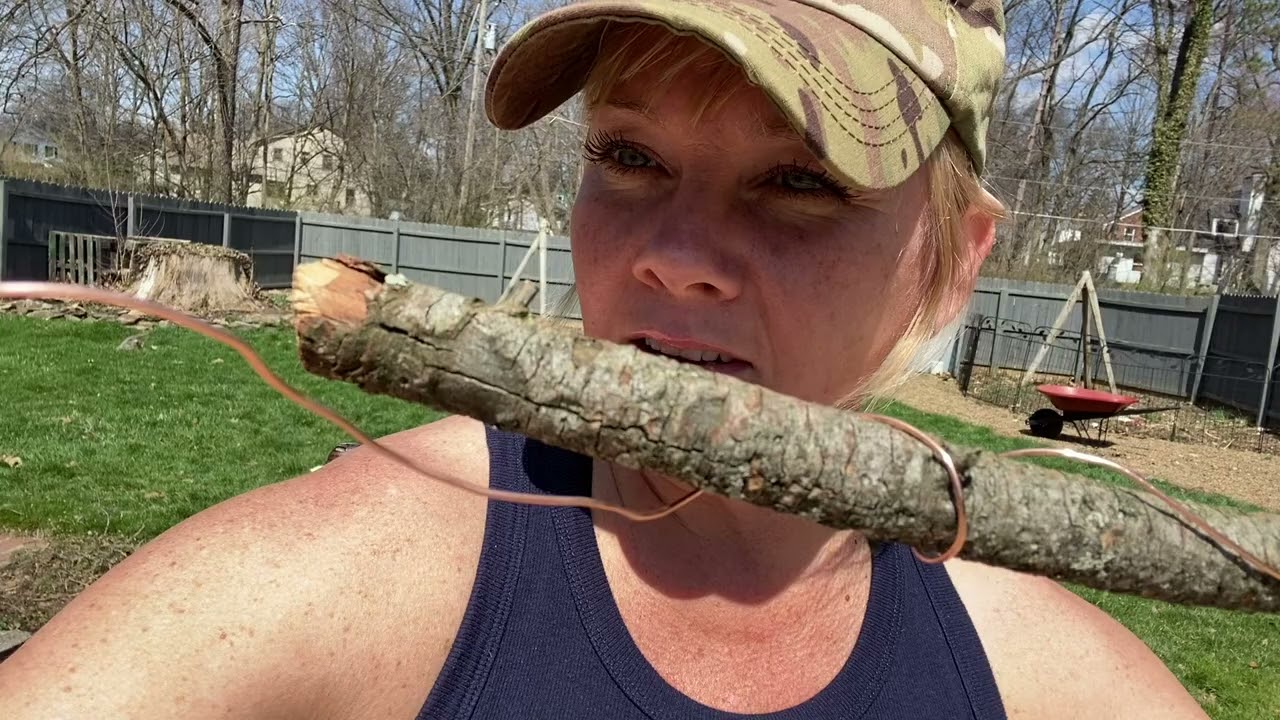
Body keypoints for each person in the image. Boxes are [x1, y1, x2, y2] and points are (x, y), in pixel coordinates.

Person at [0, 2, 1210, 718]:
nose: (675, 257)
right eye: (627, 158)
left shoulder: (1042, 678)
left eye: (798, 181)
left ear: (951, 263)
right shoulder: (357, 568)